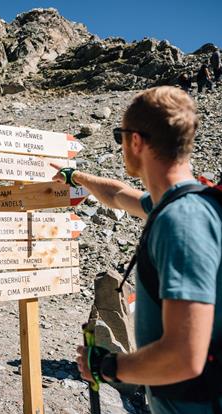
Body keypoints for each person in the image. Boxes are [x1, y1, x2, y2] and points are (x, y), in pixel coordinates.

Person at [52, 86, 222, 414]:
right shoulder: (178, 203)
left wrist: (108, 366)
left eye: (120, 136)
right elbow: (118, 195)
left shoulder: (181, 221)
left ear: (135, 141)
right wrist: (76, 177)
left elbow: (185, 355)